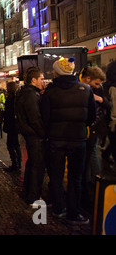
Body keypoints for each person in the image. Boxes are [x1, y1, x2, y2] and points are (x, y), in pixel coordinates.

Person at [42, 57, 96, 224]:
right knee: (75, 177)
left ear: (57, 72)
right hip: (78, 139)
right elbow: (91, 117)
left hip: (56, 139)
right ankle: (74, 212)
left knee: (56, 176)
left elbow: (45, 117)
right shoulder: (86, 90)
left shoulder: (50, 92)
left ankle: (59, 208)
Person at [79, 66, 110, 208]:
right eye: (96, 83)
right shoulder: (82, 90)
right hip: (87, 129)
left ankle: (96, 183)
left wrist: (100, 99)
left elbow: (107, 105)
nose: (98, 86)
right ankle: (93, 184)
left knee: (91, 155)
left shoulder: (97, 90)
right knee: (89, 157)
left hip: (93, 128)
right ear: (87, 79)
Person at [15, 67, 46, 205]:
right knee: (36, 166)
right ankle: (33, 196)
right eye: (41, 79)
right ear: (34, 80)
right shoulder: (31, 95)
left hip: (29, 134)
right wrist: (43, 133)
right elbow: (34, 118)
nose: (43, 82)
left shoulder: (26, 93)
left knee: (31, 164)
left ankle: (27, 192)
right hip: (34, 136)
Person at [2, 81, 21, 172]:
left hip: (11, 125)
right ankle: (18, 163)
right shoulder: (16, 97)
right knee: (16, 144)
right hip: (15, 125)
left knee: (10, 145)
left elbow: (9, 112)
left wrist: (2, 113)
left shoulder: (11, 99)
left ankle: (15, 164)